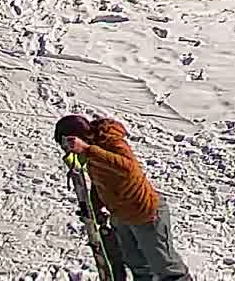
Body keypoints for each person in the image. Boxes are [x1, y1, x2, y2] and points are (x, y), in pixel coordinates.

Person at [57, 115, 193, 279]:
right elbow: (99, 180)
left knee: (164, 264)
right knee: (137, 263)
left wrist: (87, 149)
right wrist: (94, 208)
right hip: (121, 215)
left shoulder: (111, 141)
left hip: (145, 212)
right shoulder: (93, 152)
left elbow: (128, 167)